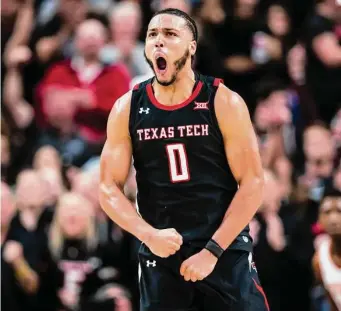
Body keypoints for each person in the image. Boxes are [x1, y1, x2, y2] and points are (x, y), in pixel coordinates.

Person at [99, 8, 268, 311]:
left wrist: (212, 251)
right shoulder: (128, 107)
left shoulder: (223, 100)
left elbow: (253, 183)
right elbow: (108, 188)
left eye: (170, 34)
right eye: (152, 35)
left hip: (222, 246)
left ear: (192, 46)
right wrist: (147, 234)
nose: (159, 42)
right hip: (161, 252)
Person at [312, 187, 341, 311]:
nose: (334, 219)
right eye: (327, 212)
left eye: (340, 211)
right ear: (319, 219)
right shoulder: (319, 259)